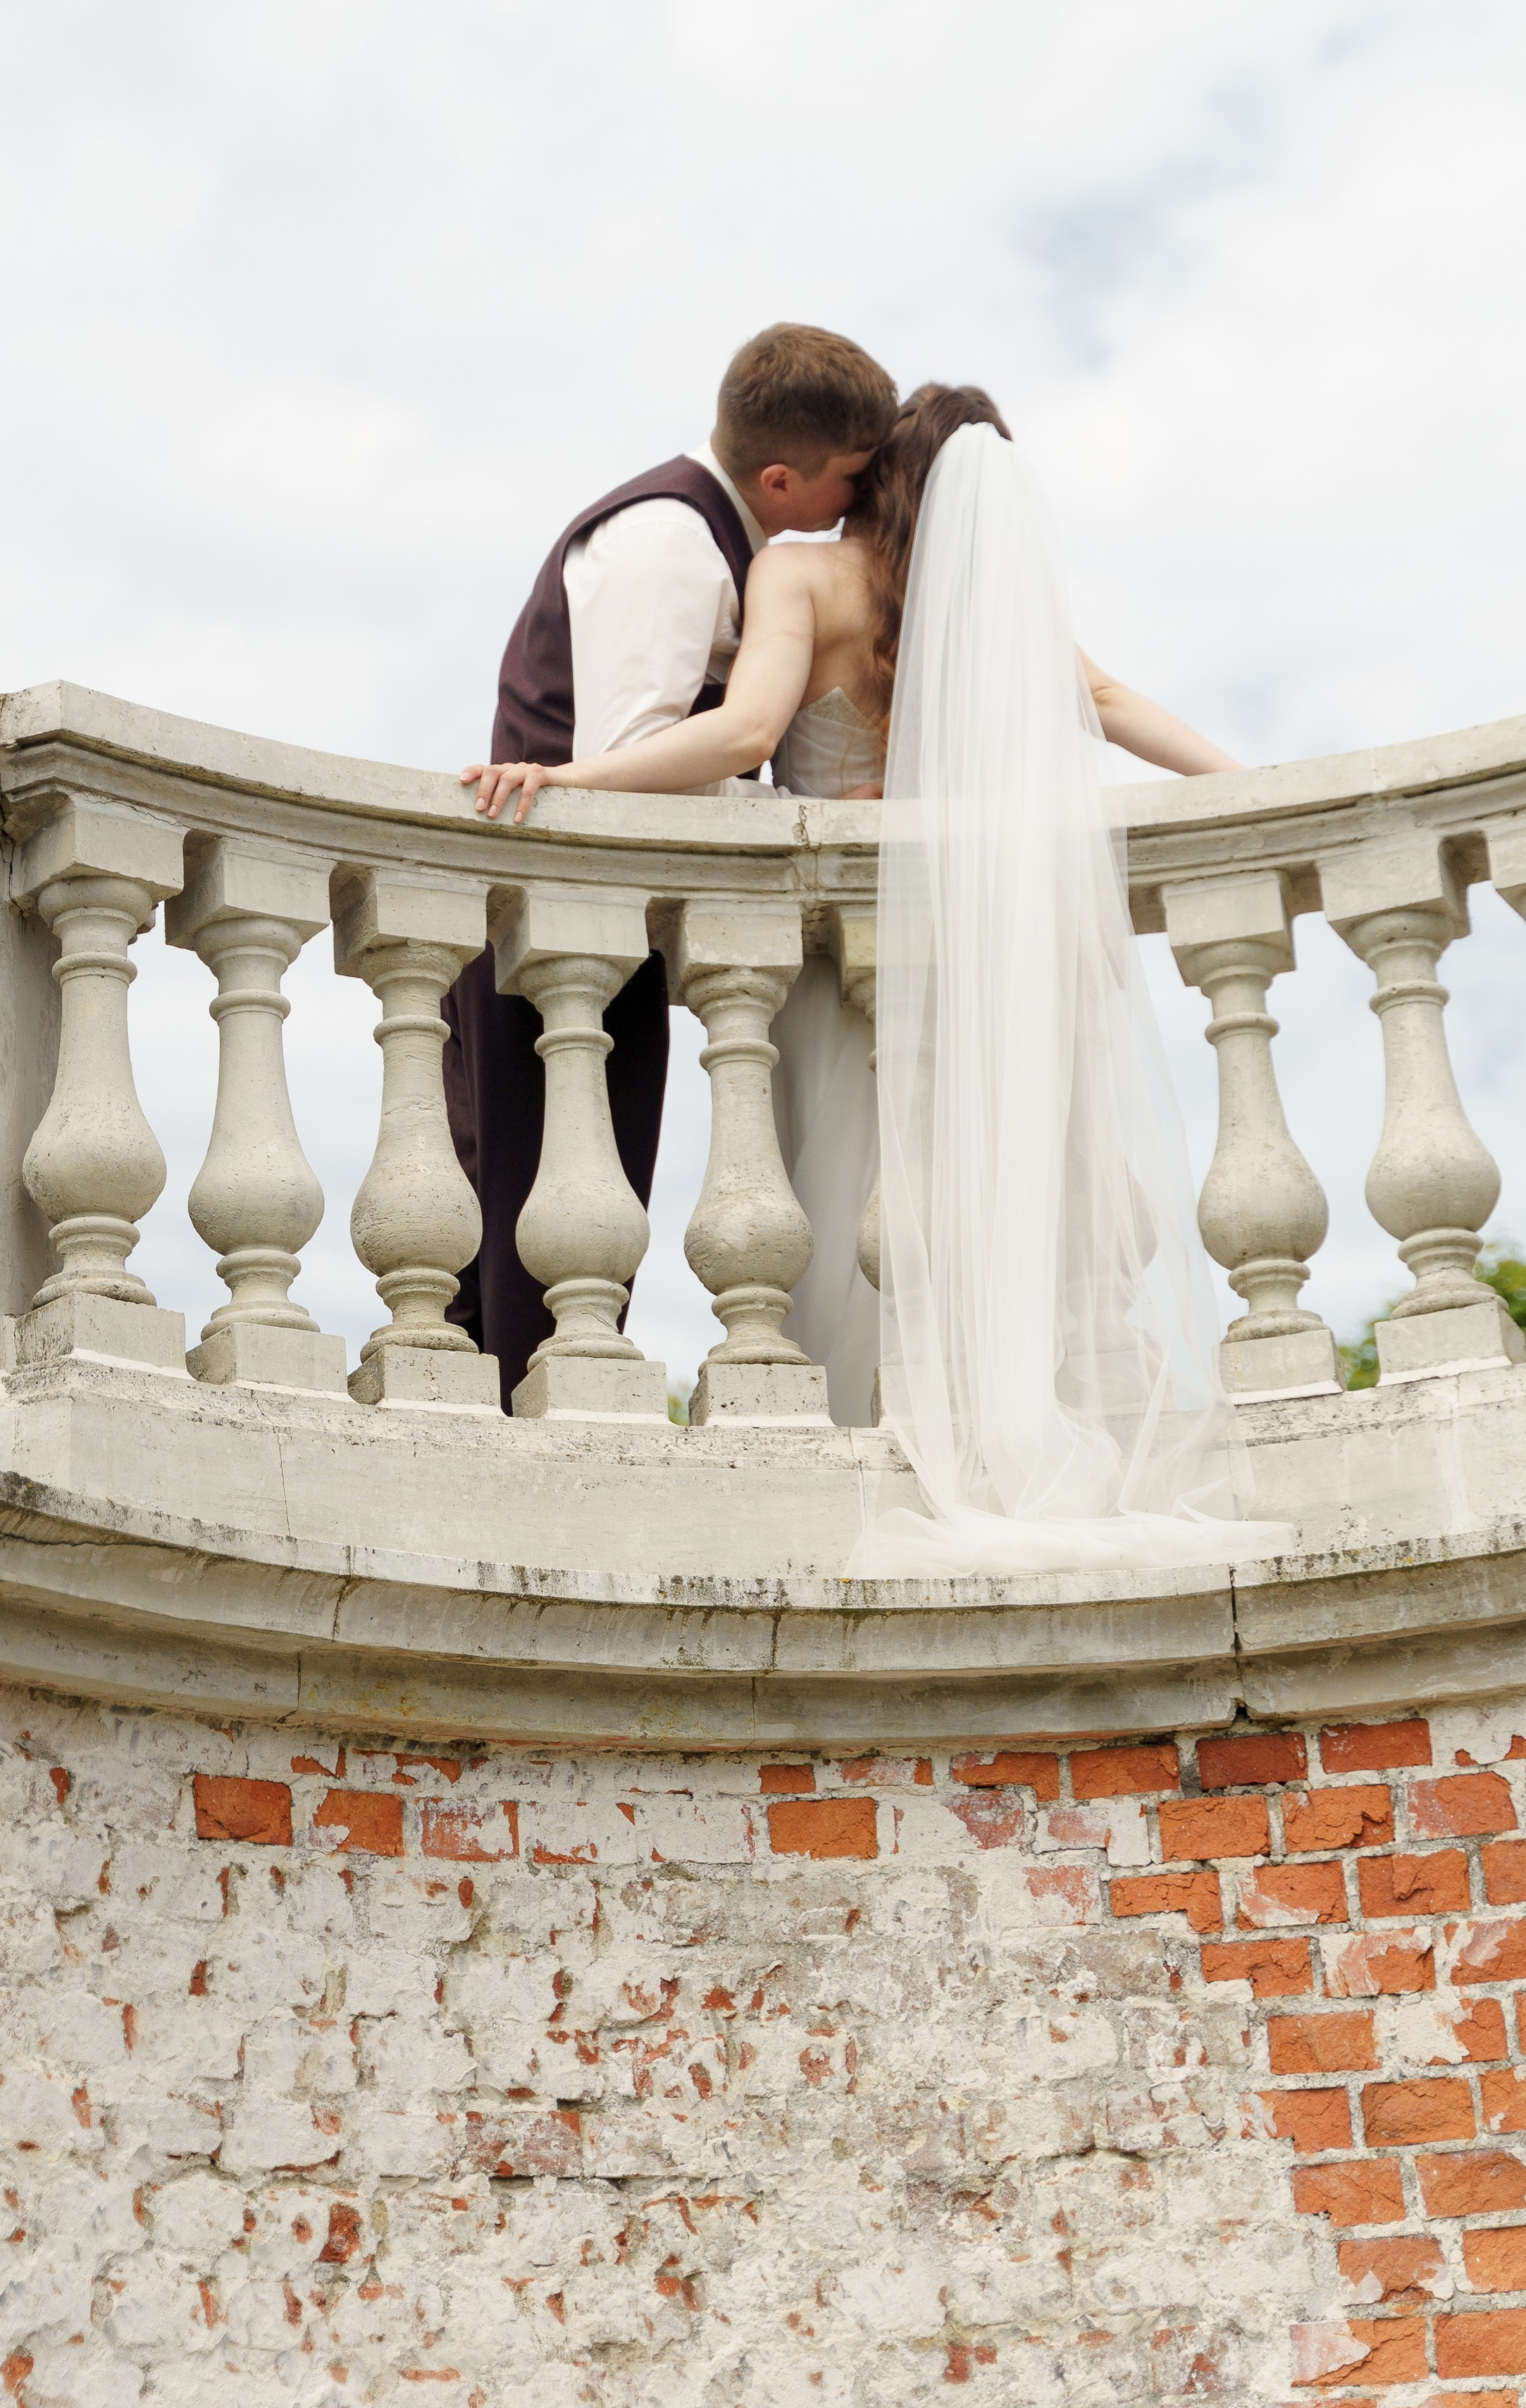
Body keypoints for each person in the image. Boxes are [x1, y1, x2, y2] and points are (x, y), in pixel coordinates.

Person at [469, 382, 1296, 1574]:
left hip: (828, 963)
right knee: (975, 1190)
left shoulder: (802, 573)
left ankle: (848, 1460)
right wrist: (1246, 785)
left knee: (827, 1186)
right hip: (962, 955)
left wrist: (569, 776)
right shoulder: (984, 611)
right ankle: (984, 1424)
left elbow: (747, 737)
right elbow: (1108, 704)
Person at [448, 323, 897, 1409]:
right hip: (552, 959)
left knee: (566, 1256)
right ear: (782, 477)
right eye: (849, 478)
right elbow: (622, 764)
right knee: (526, 1275)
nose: (860, 500)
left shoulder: (722, 540)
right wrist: (802, 808)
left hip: (600, 951)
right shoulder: (671, 544)